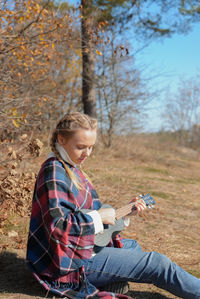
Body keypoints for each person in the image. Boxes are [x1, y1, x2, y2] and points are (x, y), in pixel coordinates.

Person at [26, 112, 200, 299]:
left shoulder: (71, 167)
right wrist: (99, 217)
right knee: (158, 263)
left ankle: (113, 279)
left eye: (91, 147)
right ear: (61, 139)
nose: (87, 153)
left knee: (132, 246)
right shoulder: (54, 170)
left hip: (81, 248)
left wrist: (125, 213)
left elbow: (96, 219)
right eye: (81, 147)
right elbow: (59, 226)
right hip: (66, 264)